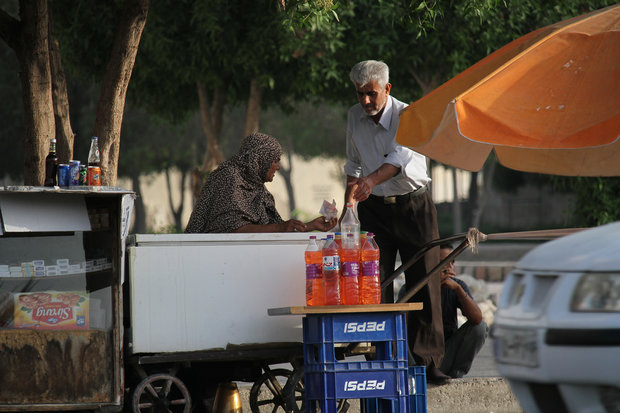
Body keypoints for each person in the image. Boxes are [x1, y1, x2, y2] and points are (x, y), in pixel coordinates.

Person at [340, 60, 448, 382]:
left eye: (371, 94)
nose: (365, 102)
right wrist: (347, 205)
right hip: (374, 209)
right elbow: (353, 164)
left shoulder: (408, 115)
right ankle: (382, 356)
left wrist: (370, 181)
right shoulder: (353, 117)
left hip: (414, 207)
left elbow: (398, 159)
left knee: (424, 281)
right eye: (360, 94)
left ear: (387, 89)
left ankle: (427, 363)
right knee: (376, 281)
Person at [185, 132, 336, 233]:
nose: (278, 166)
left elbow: (273, 228)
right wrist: (280, 227)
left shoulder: (258, 189)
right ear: (259, 160)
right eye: (275, 160)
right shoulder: (229, 177)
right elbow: (232, 229)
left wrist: (310, 226)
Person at [438, 243, 488, 378]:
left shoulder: (456, 286)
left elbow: (477, 319)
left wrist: (459, 291)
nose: (449, 267)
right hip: (421, 357)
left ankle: (455, 374)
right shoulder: (414, 287)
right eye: (444, 262)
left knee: (480, 327)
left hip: (446, 355)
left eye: (452, 262)